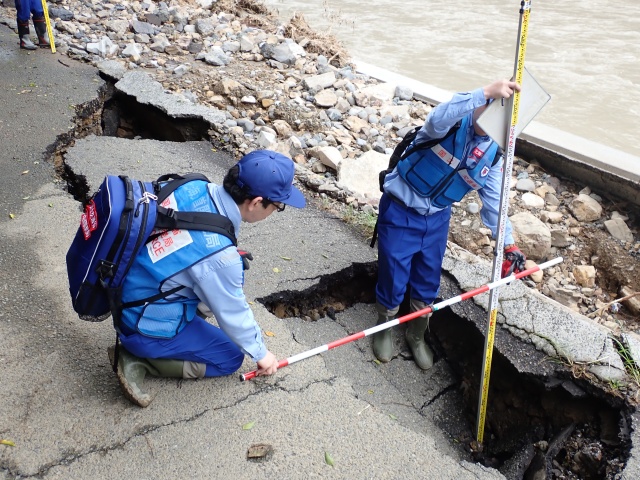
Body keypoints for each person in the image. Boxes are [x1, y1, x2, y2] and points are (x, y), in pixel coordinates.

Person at [109, 150, 306, 407]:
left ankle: (162, 336)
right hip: (141, 322)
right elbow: (233, 314)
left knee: (221, 277)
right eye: (278, 205)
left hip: (123, 287)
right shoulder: (221, 258)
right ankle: (139, 358)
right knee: (229, 358)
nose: (276, 210)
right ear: (256, 202)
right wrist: (261, 354)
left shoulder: (194, 184)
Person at [372, 79, 527, 370]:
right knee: (393, 274)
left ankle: (417, 333)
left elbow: (496, 202)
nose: (490, 123)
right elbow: (438, 115)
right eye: (489, 109)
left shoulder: (493, 155)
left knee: (427, 280)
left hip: (437, 219)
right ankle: (384, 325)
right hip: (400, 211)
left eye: (500, 122)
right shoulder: (449, 124)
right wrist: (484, 92)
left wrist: (508, 244)